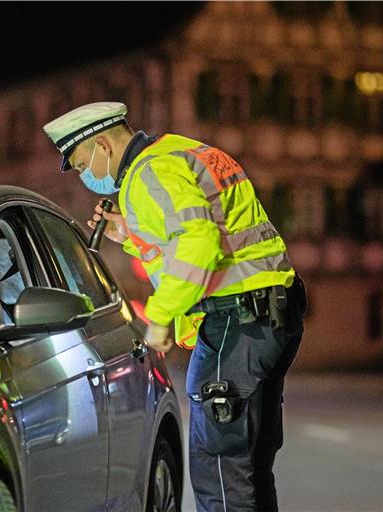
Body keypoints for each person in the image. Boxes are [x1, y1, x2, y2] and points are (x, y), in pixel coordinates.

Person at [43, 102, 306, 511]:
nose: (86, 177)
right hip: (269, 311)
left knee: (218, 466)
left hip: (238, 320)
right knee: (247, 465)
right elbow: (194, 237)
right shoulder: (183, 151)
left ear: (103, 146)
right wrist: (129, 235)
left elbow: (198, 242)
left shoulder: (148, 173)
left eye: (81, 166)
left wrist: (161, 316)